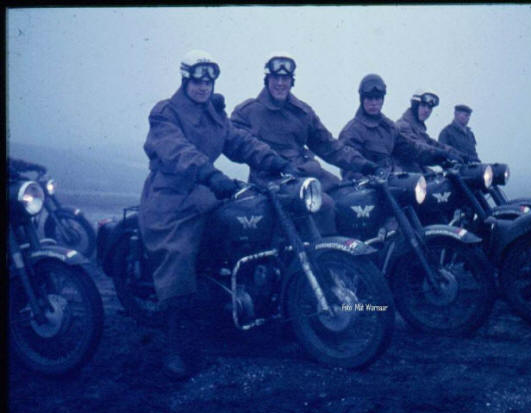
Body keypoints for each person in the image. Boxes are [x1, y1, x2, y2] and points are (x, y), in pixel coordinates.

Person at [139, 50, 291, 380]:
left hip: (204, 193)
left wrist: (276, 161)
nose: (203, 87)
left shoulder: (213, 113)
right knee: (179, 256)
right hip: (170, 198)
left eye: (209, 82)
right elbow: (176, 150)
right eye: (197, 81)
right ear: (185, 80)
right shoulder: (165, 113)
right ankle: (176, 347)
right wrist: (209, 174)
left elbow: (240, 141)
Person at [230, 52, 377, 234]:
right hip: (271, 179)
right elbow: (237, 145)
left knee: (349, 198)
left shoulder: (302, 112)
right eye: (275, 78)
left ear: (292, 81)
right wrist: (275, 163)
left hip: (307, 174)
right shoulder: (248, 112)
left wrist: (364, 165)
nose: (280, 83)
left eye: (285, 78)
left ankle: (351, 246)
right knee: (324, 205)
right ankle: (325, 250)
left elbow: (329, 146)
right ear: (267, 80)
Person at [338, 74, 408, 180]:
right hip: (368, 187)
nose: (374, 103)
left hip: (393, 182)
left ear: (382, 100)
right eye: (369, 98)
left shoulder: (389, 128)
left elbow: (411, 149)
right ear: (362, 99)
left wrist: (435, 155)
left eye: (377, 98)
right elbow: (349, 169)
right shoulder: (352, 131)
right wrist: (371, 180)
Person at [394, 90, 465, 173]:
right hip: (403, 174)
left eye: (430, 108)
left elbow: (434, 144)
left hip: (416, 172)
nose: (427, 110)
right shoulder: (402, 126)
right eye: (423, 105)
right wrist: (442, 155)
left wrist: (461, 155)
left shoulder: (419, 130)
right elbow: (418, 149)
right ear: (415, 106)